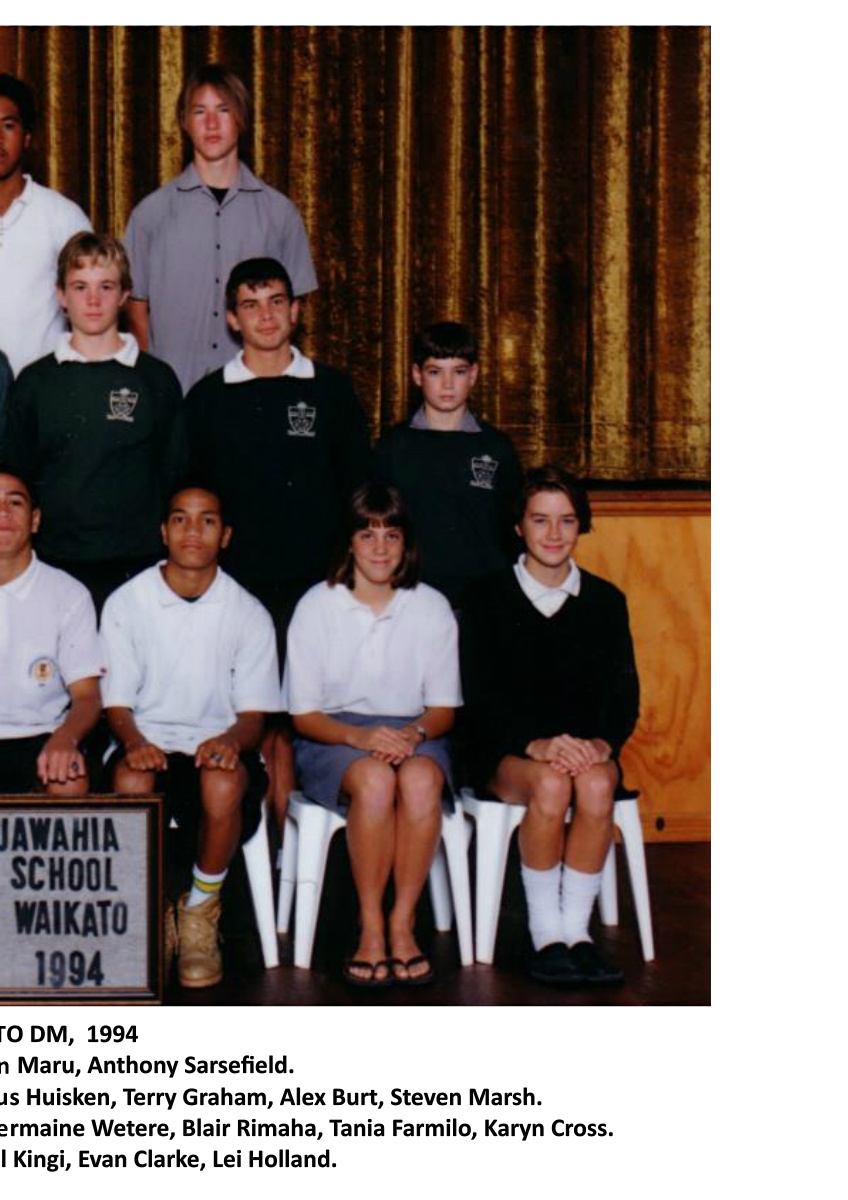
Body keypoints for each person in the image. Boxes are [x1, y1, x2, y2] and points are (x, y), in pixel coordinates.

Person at [186, 256, 371, 830]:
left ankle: (297, 843)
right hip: (236, 587)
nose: (265, 316)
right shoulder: (209, 397)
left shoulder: (332, 391)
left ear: (295, 311)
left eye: (275, 303)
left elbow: (358, 490)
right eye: (250, 305)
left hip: (317, 585)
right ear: (232, 319)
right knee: (249, 718)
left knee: (297, 722)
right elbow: (193, 494)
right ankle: (246, 842)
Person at [460, 466, 639, 987]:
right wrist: (533, 743)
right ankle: (544, 934)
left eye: (566, 520)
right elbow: (478, 695)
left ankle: (576, 933)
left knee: (598, 783)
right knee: (552, 783)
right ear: (519, 526)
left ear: (582, 524)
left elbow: (623, 696)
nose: (554, 534)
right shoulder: (485, 597)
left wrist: (600, 744)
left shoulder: (606, 601)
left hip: (582, 750)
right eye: (540, 520)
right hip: (508, 751)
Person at [100, 483, 280, 989]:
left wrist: (231, 742)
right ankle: (154, 910)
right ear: (164, 531)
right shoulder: (127, 602)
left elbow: (253, 715)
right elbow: (117, 703)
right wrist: (134, 742)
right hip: (146, 739)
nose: (193, 531)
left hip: (215, 743)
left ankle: (200, 910)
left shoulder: (248, 612)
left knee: (221, 783)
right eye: (180, 519)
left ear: (226, 535)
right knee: (132, 781)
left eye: (207, 520)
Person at [282, 483, 462, 987]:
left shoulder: (431, 606)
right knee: (376, 781)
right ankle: (371, 925)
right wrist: (360, 740)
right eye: (367, 535)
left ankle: (403, 921)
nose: (380, 548)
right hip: (335, 734)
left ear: (406, 544)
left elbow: (443, 710)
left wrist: (412, 735)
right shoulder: (317, 606)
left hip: (414, 730)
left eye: (392, 535)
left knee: (421, 781)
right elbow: (304, 715)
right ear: (349, 542)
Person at [0, 232, 186, 613]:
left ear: (124, 295)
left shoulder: (156, 379)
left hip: (139, 567)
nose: (93, 299)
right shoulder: (34, 383)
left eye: (106, 286)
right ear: (61, 296)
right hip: (54, 565)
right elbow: (15, 478)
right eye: (80, 286)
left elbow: (176, 476)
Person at [124, 63, 318, 393]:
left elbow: (290, 310)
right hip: (177, 394)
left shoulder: (280, 213)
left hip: (258, 395)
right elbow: (135, 308)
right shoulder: (149, 215)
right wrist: (155, 386)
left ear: (241, 118)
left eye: (224, 110)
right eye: (200, 111)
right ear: (184, 122)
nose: (212, 124)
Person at [374, 321, 521, 608]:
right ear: (417, 375)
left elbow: (513, 531)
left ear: (474, 374)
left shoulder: (496, 447)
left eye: (459, 372)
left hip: (483, 600)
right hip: (411, 596)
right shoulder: (392, 446)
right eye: (435, 372)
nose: (448, 384)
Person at [0, 466, 103, 795]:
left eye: (15, 502)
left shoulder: (68, 594)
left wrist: (65, 739)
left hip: (41, 735)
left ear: (35, 520)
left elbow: (87, 697)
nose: (3, 512)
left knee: (69, 777)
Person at [0, 74, 92, 378]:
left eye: (8, 125)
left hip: (44, 392)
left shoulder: (63, 217)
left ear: (27, 137)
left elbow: (94, 311)